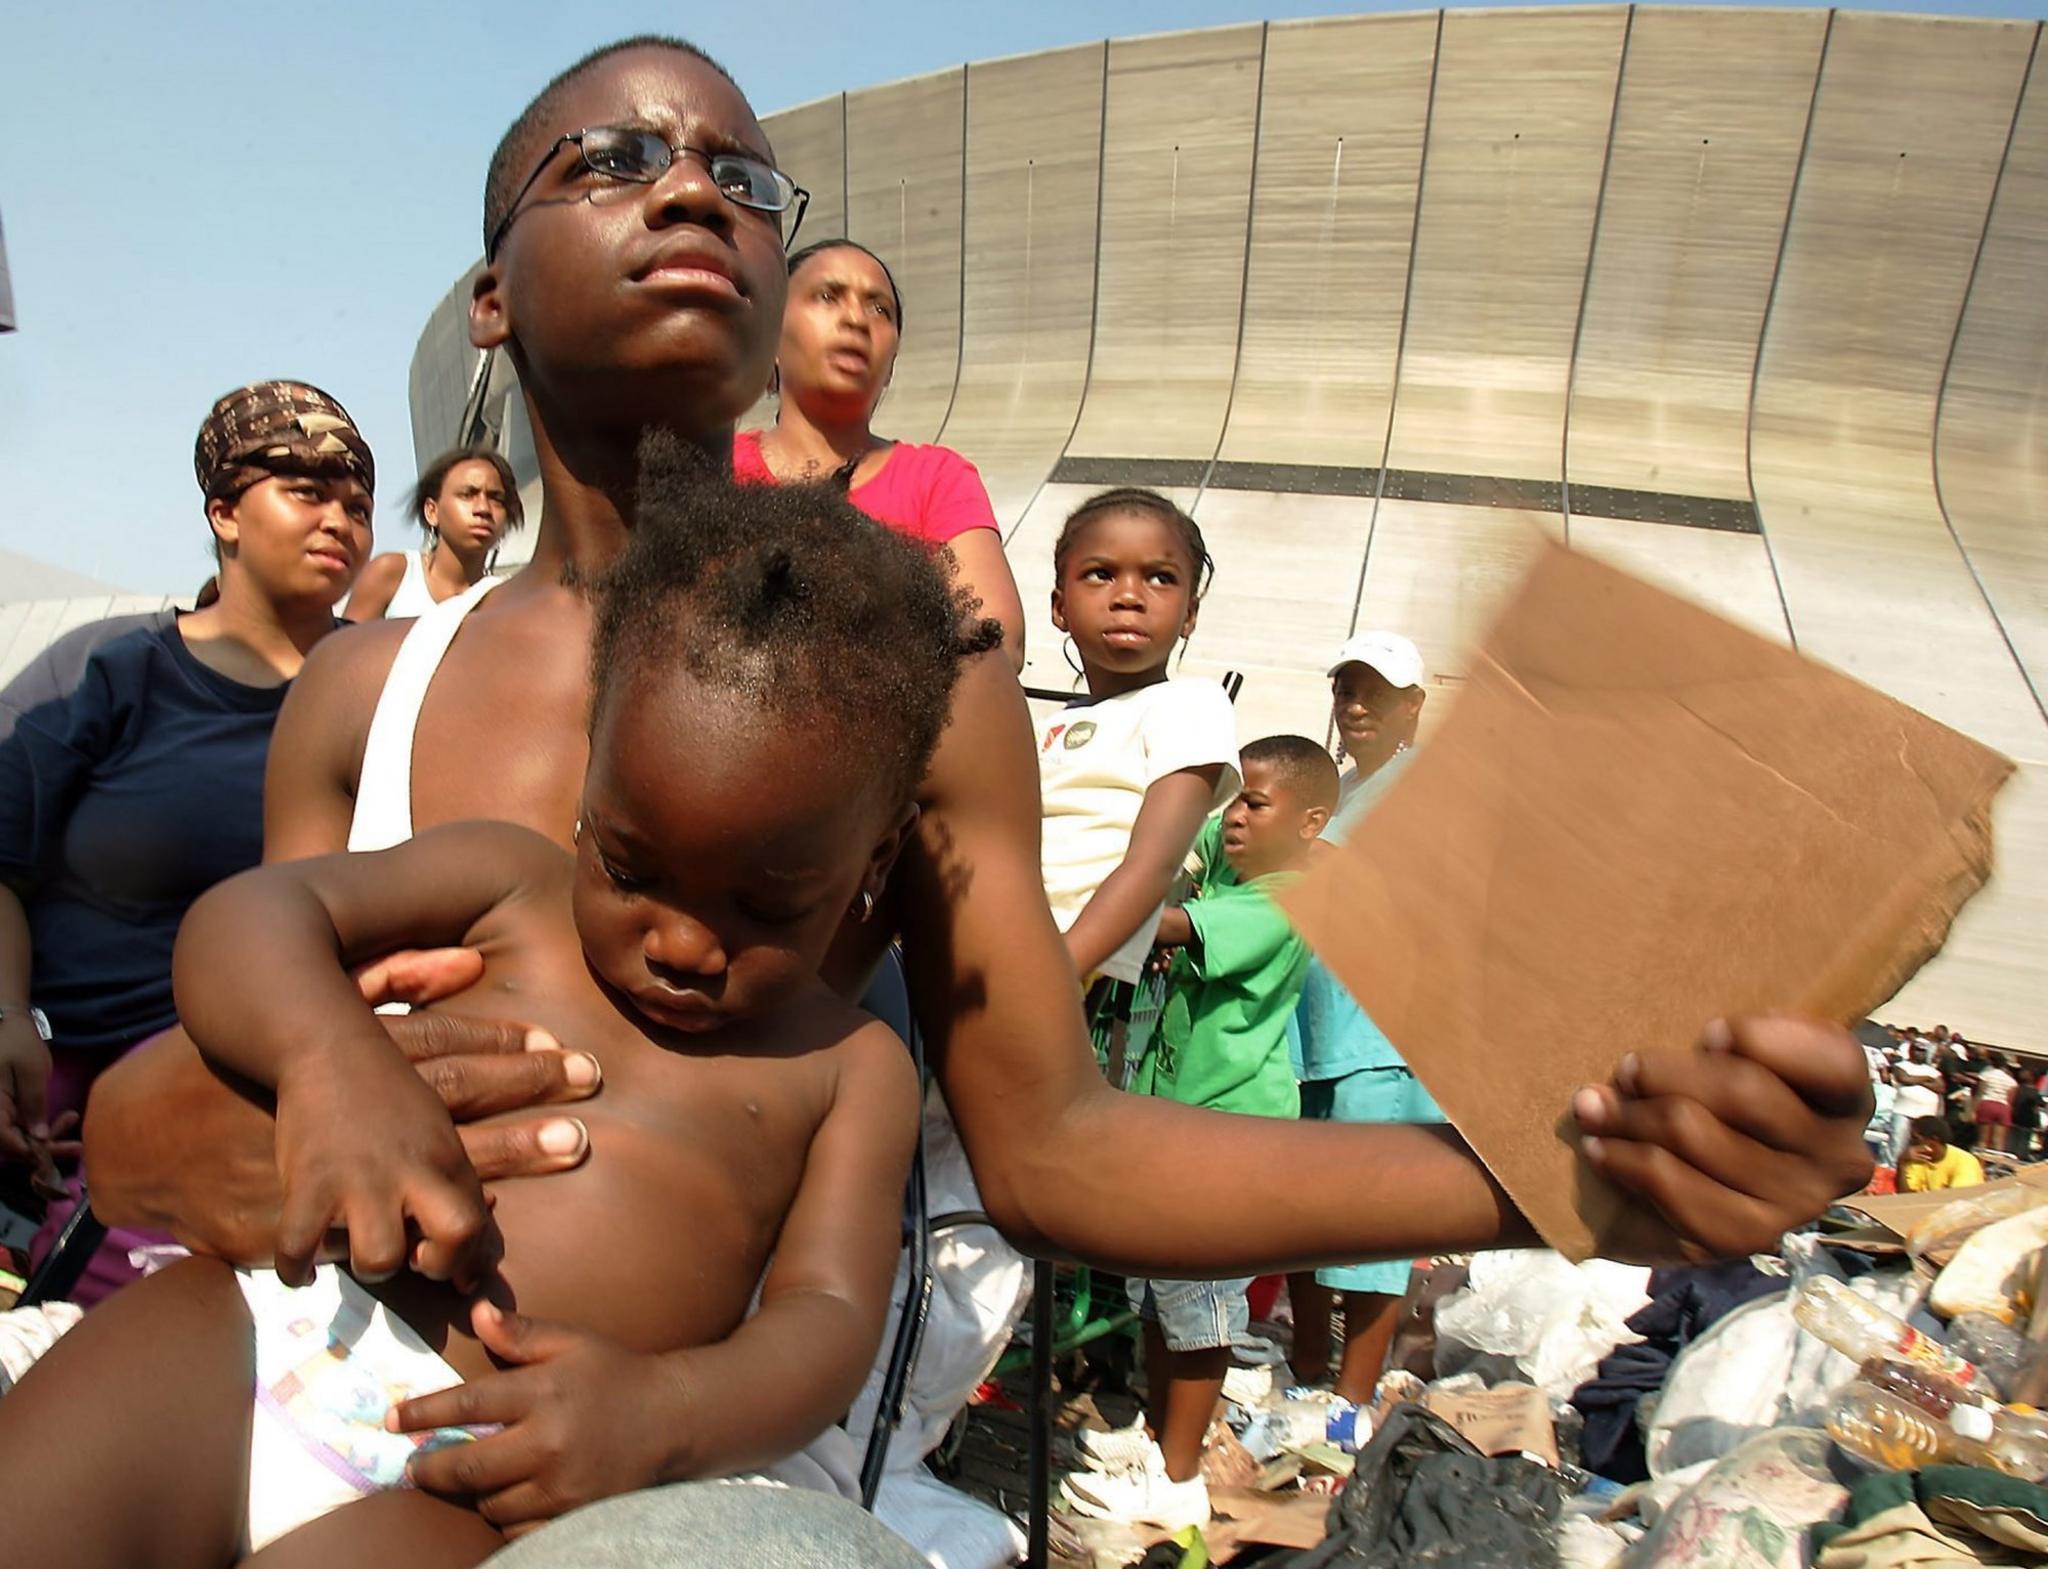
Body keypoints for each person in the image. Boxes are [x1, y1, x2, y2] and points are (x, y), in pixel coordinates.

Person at [79, 36, 1877, 1559]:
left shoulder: (909, 699)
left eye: (742, 176)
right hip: (280, 1363)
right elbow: (214, 1082)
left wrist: (1545, 1175)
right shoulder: (363, 688)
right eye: (612, 158)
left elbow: (1059, 1142)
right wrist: (206, 1108)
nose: (693, 186)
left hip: (672, 1475)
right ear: (488, 284)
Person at [0, 447, 995, 1563]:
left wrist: (661, 1417)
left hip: (487, 1473)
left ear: (874, 856)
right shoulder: (508, 883)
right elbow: (255, 920)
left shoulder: (849, 1067)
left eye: (767, 905)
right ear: (591, 779)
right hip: (252, 1327)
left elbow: (825, 1322)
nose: (680, 941)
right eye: (629, 865)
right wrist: (329, 1058)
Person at [1, 380, 373, 1303]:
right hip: (44, 1086)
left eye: (358, 503)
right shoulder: (108, 667)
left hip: (248, 1107)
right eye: (306, 490)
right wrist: (6, 1023)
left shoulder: (393, 688)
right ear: (223, 511)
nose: (339, 521)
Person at [1065, 736, 1336, 1531]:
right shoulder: (1238, 858)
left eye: (1256, 802)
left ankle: (1179, 1476)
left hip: (1226, 1136)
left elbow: (1171, 924)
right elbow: (1189, 834)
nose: (1235, 816)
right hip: (1172, 1120)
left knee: (1200, 1309)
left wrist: (1089, 899)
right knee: (1156, 1294)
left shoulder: (1285, 896)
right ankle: (1156, 1438)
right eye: (1236, 799)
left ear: (1311, 822)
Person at [734, 238, 1025, 666]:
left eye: (879, 309)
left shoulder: (938, 478)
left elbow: (996, 643)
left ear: (891, 365)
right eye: (827, 296)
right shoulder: (716, 466)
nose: (856, 319)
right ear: (772, 336)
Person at [1285, 633, 1443, 1402]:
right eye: (1346, 689)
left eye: (1374, 693)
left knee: (1366, 1224)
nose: (1355, 707)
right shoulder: (1345, 785)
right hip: (1320, 1032)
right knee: (1310, 1218)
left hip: (1376, 1037)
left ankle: (1346, 1401)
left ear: (1412, 706)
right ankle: (1307, 1375)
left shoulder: (1416, 782)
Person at [1037, 487, 1240, 996]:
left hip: (1087, 978)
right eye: (1101, 573)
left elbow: (1153, 863)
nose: (1129, 595)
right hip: (1003, 949)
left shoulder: (1192, 705)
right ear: (1060, 607)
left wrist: (1059, 971)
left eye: (1160, 577)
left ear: (1190, 614)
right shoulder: (1041, 729)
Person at [345, 447, 523, 621]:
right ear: (432, 511)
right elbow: (345, 647)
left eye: (496, 498)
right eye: (467, 495)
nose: (483, 509)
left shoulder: (507, 601)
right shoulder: (393, 574)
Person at [1889, 1045, 1945, 1164]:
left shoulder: (1933, 1071)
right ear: (1911, 1050)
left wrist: (1916, 1081)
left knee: (1921, 1144)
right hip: (1903, 1111)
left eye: (1923, 1051)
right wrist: (1927, 1079)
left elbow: (1940, 1087)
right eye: (1918, 1050)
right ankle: (1891, 1167)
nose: (1920, 1053)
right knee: (1897, 1142)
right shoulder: (1901, 1066)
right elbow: (1904, 1079)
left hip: (1925, 1114)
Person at [1898, 1117, 1985, 1193]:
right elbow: (1905, 1196)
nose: (1911, 1143)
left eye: (1915, 1139)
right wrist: (1901, 1162)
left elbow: (1958, 1198)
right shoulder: (1917, 1159)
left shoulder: (1964, 1161)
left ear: (1933, 1140)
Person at [1974, 1051, 2018, 1154]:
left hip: (1988, 1103)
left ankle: (1981, 1163)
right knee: (1998, 1141)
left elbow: (1980, 1093)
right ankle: (1996, 1166)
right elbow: (2010, 1100)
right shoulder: (2011, 1081)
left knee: (1983, 1140)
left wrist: (1974, 1110)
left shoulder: (1986, 1075)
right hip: (2003, 1107)